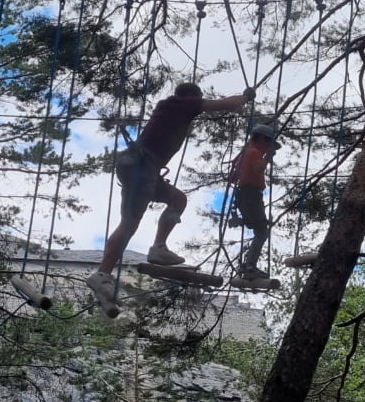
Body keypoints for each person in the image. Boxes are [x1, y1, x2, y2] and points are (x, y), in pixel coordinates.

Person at [87, 82, 256, 317]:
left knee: (177, 200)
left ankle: (158, 248)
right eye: (198, 100)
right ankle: (103, 273)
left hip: (142, 167)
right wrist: (245, 97)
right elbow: (224, 105)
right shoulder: (182, 104)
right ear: (192, 96)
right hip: (143, 166)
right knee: (129, 224)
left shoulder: (170, 108)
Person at [229, 123, 280, 280]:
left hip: (243, 196)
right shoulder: (254, 152)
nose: (267, 148)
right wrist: (267, 157)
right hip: (251, 194)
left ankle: (249, 264)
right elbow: (258, 169)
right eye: (268, 144)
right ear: (261, 139)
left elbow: (231, 179)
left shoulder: (244, 155)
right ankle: (250, 266)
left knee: (256, 226)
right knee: (262, 232)